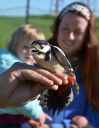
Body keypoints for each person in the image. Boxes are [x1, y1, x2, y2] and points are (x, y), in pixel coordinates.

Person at [32, 1, 99, 128]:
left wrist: (86, 123)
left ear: (86, 36)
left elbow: (95, 113)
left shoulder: (94, 70)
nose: (70, 36)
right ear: (57, 28)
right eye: (65, 28)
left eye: (78, 32)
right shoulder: (38, 59)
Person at [0, 24, 68, 128]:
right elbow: (22, 98)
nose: (29, 52)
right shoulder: (10, 65)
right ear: (14, 45)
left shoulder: (24, 64)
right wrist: (37, 114)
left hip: (17, 116)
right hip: (7, 119)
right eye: (25, 47)